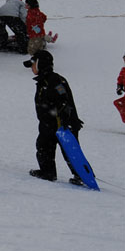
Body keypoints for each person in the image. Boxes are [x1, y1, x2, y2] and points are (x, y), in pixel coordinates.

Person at [24, 50, 85, 184]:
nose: (32, 68)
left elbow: (64, 99)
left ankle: (82, 176)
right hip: (48, 123)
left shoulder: (55, 80)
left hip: (61, 123)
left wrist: (65, 117)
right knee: (43, 146)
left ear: (41, 64)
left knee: (70, 151)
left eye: (33, 65)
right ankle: (47, 172)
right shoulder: (43, 81)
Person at [114, 51, 125, 124]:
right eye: (124, 58)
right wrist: (119, 87)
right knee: (118, 103)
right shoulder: (124, 69)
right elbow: (120, 80)